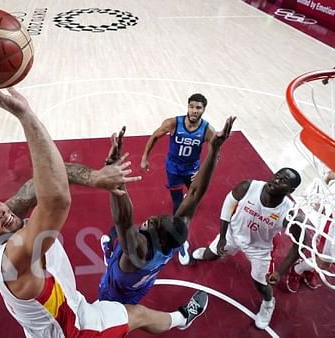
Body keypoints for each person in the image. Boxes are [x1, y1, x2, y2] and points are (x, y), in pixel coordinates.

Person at [0, 80, 209, 337]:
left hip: (52, 321)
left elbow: (38, 184)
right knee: (137, 314)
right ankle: (182, 318)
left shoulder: (2, 223)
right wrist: (25, 115)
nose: (0, 209)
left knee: (133, 311)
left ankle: (180, 318)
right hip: (77, 328)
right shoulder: (11, 258)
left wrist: (94, 177)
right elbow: (56, 198)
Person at [99, 117, 235, 305]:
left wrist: (114, 172)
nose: (151, 218)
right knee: (118, 240)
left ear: (160, 238)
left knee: (117, 238)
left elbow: (123, 219)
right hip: (141, 287)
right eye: (159, 218)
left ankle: (110, 255)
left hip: (114, 292)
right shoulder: (170, 239)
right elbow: (195, 192)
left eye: (154, 223)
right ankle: (111, 252)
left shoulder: (139, 250)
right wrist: (214, 149)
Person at [191, 168, 304, 330]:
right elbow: (228, 206)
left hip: (260, 248)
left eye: (284, 181)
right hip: (233, 234)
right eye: (277, 176)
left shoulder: (290, 213)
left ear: (290, 191)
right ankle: (208, 251)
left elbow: (299, 244)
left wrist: (280, 272)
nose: (277, 180)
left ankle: (268, 303)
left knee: (261, 285)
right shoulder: (248, 187)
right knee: (209, 255)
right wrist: (223, 236)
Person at [140, 93, 215, 264]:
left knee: (194, 198)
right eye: (192, 106)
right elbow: (154, 136)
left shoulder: (207, 130)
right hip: (173, 169)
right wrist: (145, 157)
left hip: (192, 170)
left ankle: (188, 201)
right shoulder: (173, 123)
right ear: (187, 106)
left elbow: (214, 153)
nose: (194, 110)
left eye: (198, 108)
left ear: (204, 110)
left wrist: (203, 170)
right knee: (177, 206)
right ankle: (180, 238)